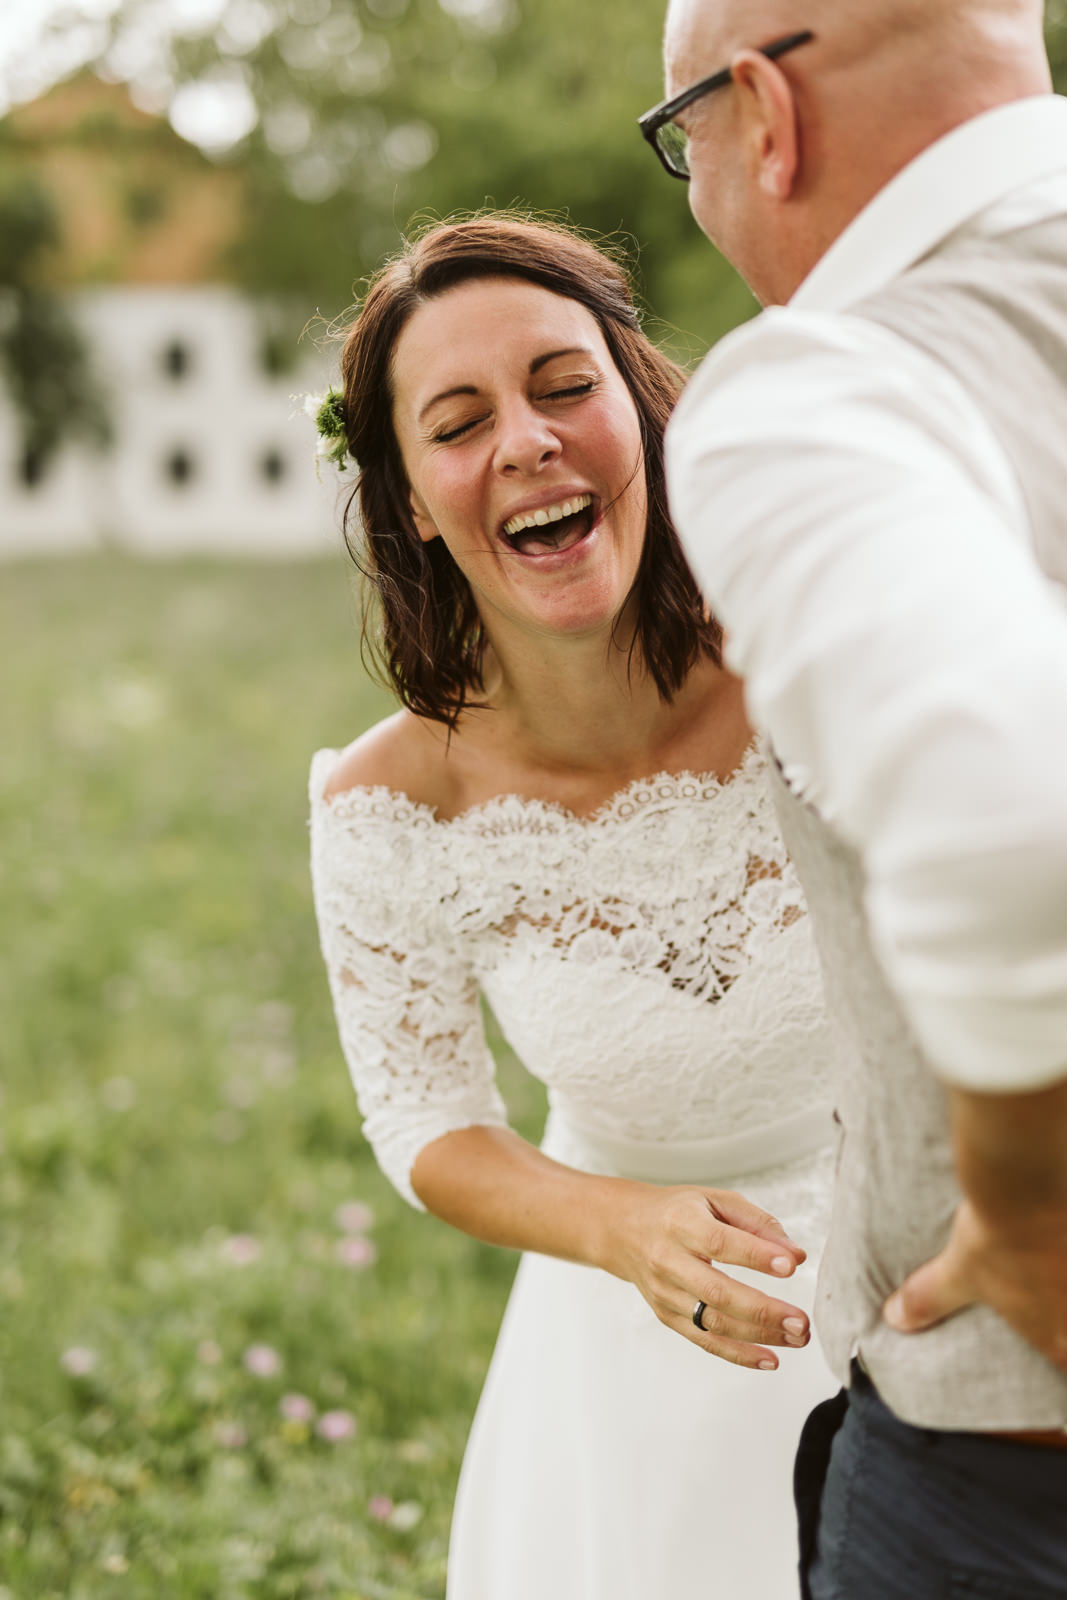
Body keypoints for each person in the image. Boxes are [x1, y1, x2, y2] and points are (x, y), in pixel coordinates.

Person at [307, 214, 838, 1599]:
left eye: (562, 386)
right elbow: (424, 1120)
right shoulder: (388, 805)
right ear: (414, 498)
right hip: (633, 1380)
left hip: (949, 1269)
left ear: (638, 411)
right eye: (460, 421)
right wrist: (622, 1227)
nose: (529, 444)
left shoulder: (815, 649)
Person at [640, 2, 1067, 1595]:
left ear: (762, 111)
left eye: (681, 144)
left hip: (1017, 1475)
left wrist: (1027, 1204)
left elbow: (1015, 806)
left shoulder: (822, 386)